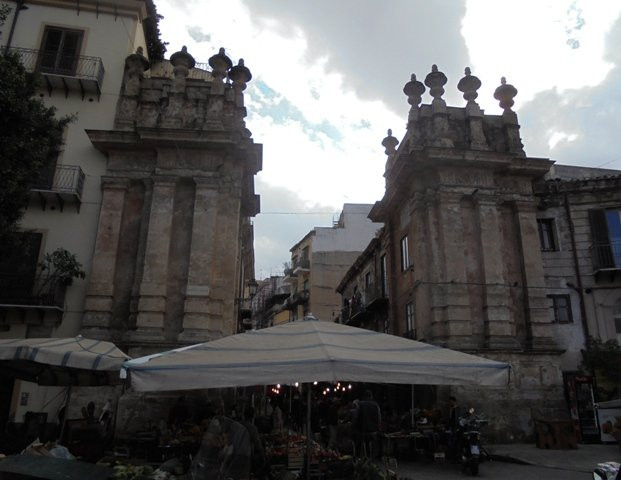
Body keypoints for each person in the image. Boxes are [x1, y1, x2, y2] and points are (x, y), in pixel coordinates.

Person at [240, 406, 267, 479]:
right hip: (245, 455)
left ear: (244, 414)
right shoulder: (252, 428)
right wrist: (263, 457)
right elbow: (258, 444)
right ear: (252, 416)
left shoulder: (239, 425)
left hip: (236, 453)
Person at [354, 390, 381, 458]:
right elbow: (379, 417)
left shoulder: (360, 404)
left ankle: (359, 459)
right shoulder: (376, 405)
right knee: (369, 444)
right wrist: (378, 427)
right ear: (371, 396)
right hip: (373, 430)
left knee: (360, 446)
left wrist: (354, 426)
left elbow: (356, 416)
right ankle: (370, 458)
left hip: (362, 429)